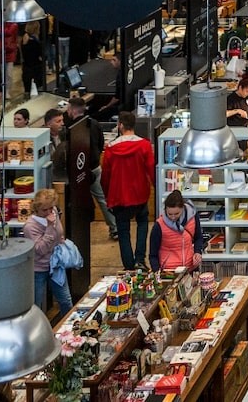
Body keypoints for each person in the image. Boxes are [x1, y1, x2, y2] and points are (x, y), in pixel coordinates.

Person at [101, 111, 154, 270]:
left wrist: (107, 194)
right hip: (140, 194)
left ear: (120, 125)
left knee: (123, 231)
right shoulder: (144, 145)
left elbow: (106, 175)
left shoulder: (111, 149)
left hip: (119, 196)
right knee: (142, 223)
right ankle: (140, 259)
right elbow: (151, 169)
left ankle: (128, 266)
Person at [65, 96, 117, 240]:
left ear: (71, 110)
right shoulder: (94, 123)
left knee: (77, 202)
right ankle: (115, 227)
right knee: (102, 199)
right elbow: (101, 144)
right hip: (95, 168)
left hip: (78, 172)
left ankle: (76, 231)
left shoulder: (72, 129)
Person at [25, 189, 73, 318]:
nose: (48, 213)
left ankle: (68, 332)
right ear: (36, 209)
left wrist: (62, 246)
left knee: (66, 300)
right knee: (35, 306)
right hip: (39, 269)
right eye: (44, 210)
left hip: (56, 265)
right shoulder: (30, 226)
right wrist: (50, 227)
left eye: (50, 208)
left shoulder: (54, 213)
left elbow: (60, 233)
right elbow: (40, 249)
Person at [150, 190, 205, 271]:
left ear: (183, 208)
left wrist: (197, 252)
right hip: (168, 271)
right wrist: (157, 272)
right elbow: (153, 254)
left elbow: (198, 237)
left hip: (190, 268)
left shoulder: (192, 217)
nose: (173, 217)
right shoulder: (159, 226)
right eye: (169, 214)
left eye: (176, 214)